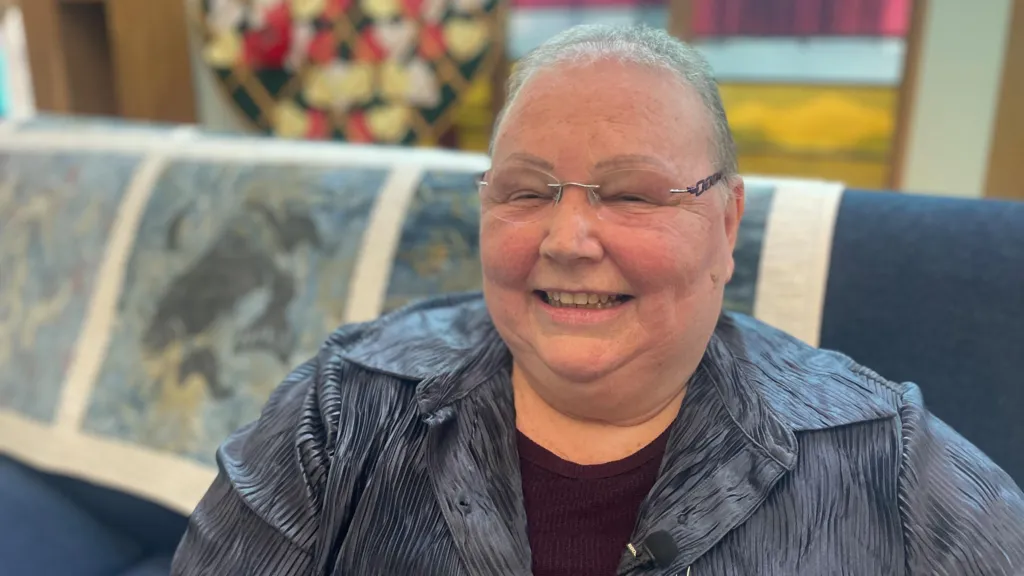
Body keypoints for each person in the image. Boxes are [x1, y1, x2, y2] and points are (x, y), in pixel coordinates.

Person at [171, 25, 1024, 575]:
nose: (569, 239)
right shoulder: (341, 407)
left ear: (727, 224)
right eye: (526, 190)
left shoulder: (884, 457)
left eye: (632, 194)